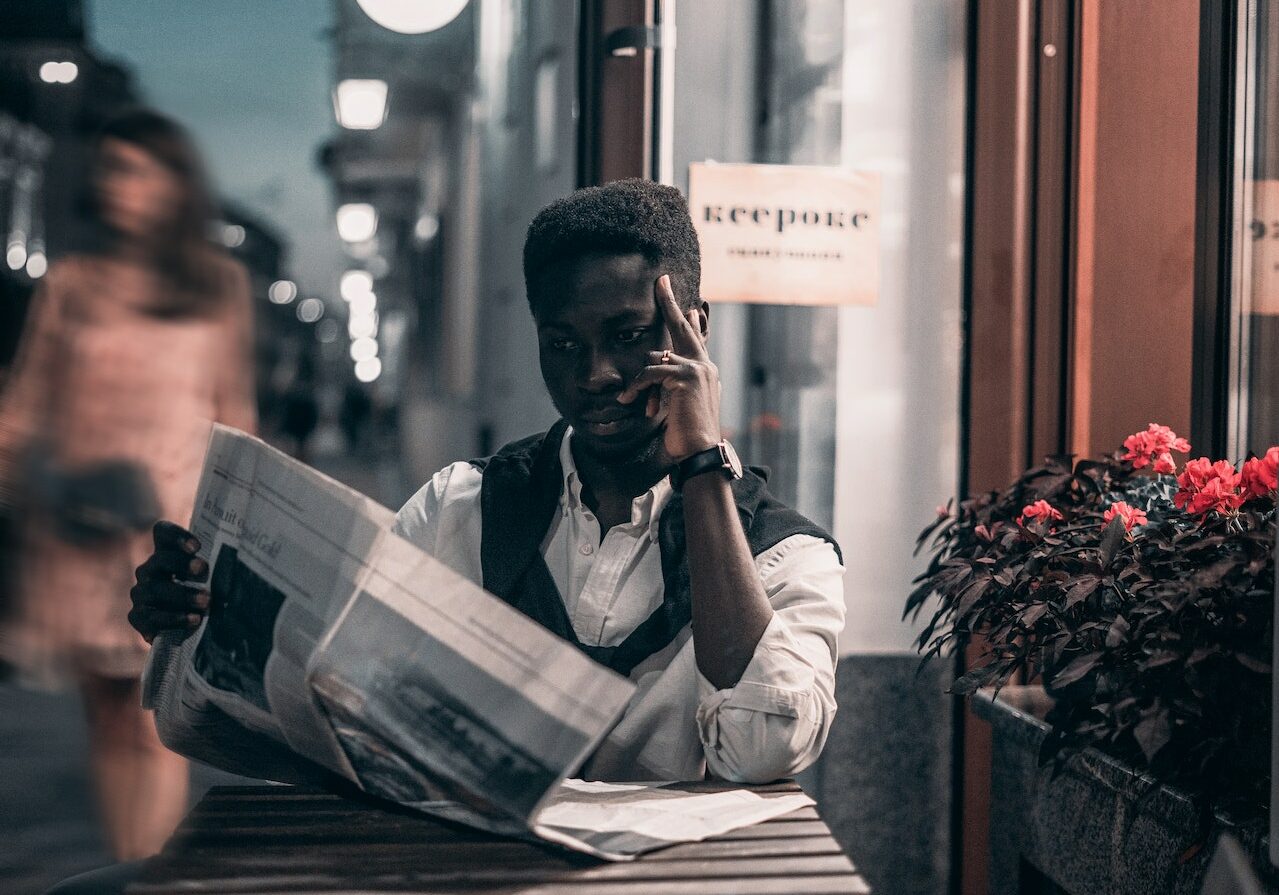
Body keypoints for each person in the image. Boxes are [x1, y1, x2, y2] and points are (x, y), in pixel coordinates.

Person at [129, 178, 843, 788]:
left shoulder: (786, 554)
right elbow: (334, 690)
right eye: (562, 345)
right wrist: (201, 618)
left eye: (628, 336)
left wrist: (701, 465)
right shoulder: (461, 507)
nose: (594, 374)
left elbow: (763, 750)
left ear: (694, 330)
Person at [0, 109, 257, 861]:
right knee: (109, 721)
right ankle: (127, 865)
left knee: (156, 722)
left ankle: (152, 870)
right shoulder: (73, 283)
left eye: (137, 171)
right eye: (110, 170)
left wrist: (239, 528)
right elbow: (28, 404)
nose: (120, 188)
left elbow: (232, 413)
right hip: (78, 532)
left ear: (175, 186)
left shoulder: (216, 285)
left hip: (168, 534)